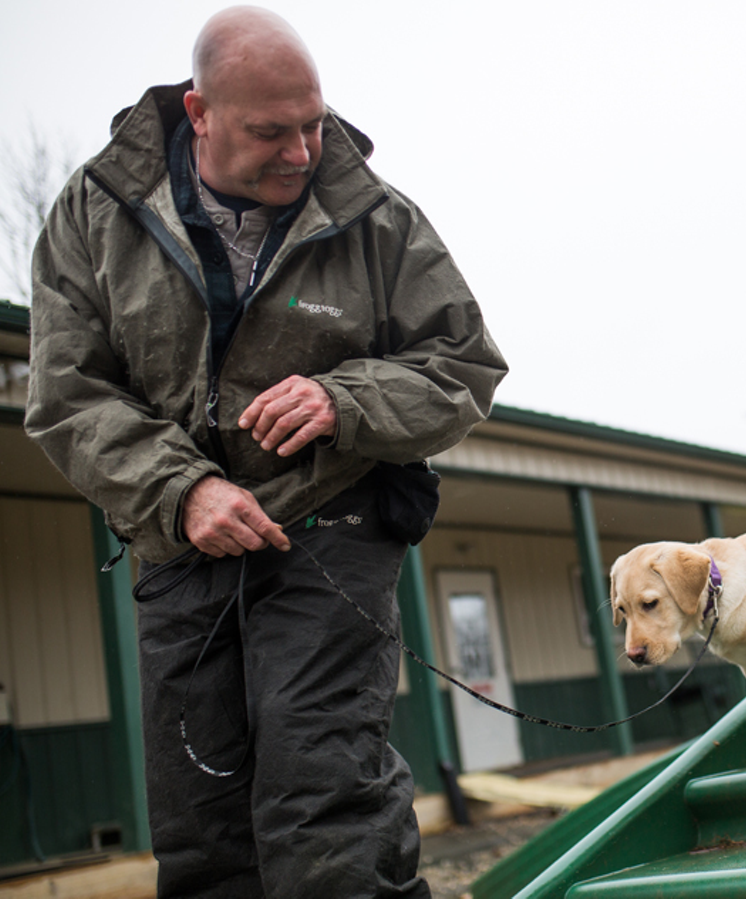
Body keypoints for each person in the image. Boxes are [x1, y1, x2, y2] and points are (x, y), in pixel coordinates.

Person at [25, 6, 507, 897]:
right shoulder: (95, 215)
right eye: (270, 131)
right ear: (199, 112)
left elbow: (464, 364)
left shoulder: (378, 218)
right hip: (181, 543)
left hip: (334, 527)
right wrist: (181, 491)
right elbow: (67, 395)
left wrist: (344, 397)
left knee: (322, 799)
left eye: (313, 124)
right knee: (200, 825)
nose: (300, 150)